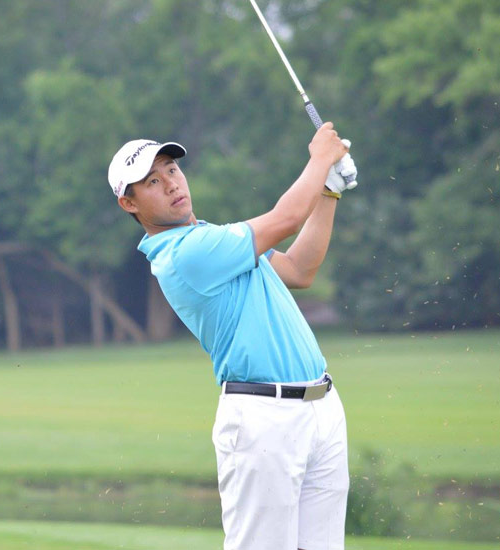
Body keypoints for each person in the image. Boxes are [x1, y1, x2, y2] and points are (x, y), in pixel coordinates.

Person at [107, 123, 357, 550]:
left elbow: (300, 269)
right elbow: (286, 219)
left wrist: (328, 191)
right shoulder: (185, 254)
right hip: (263, 418)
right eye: (152, 181)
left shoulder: (213, 239)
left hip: (321, 409)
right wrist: (320, 159)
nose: (170, 184)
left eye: (171, 170)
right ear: (129, 203)